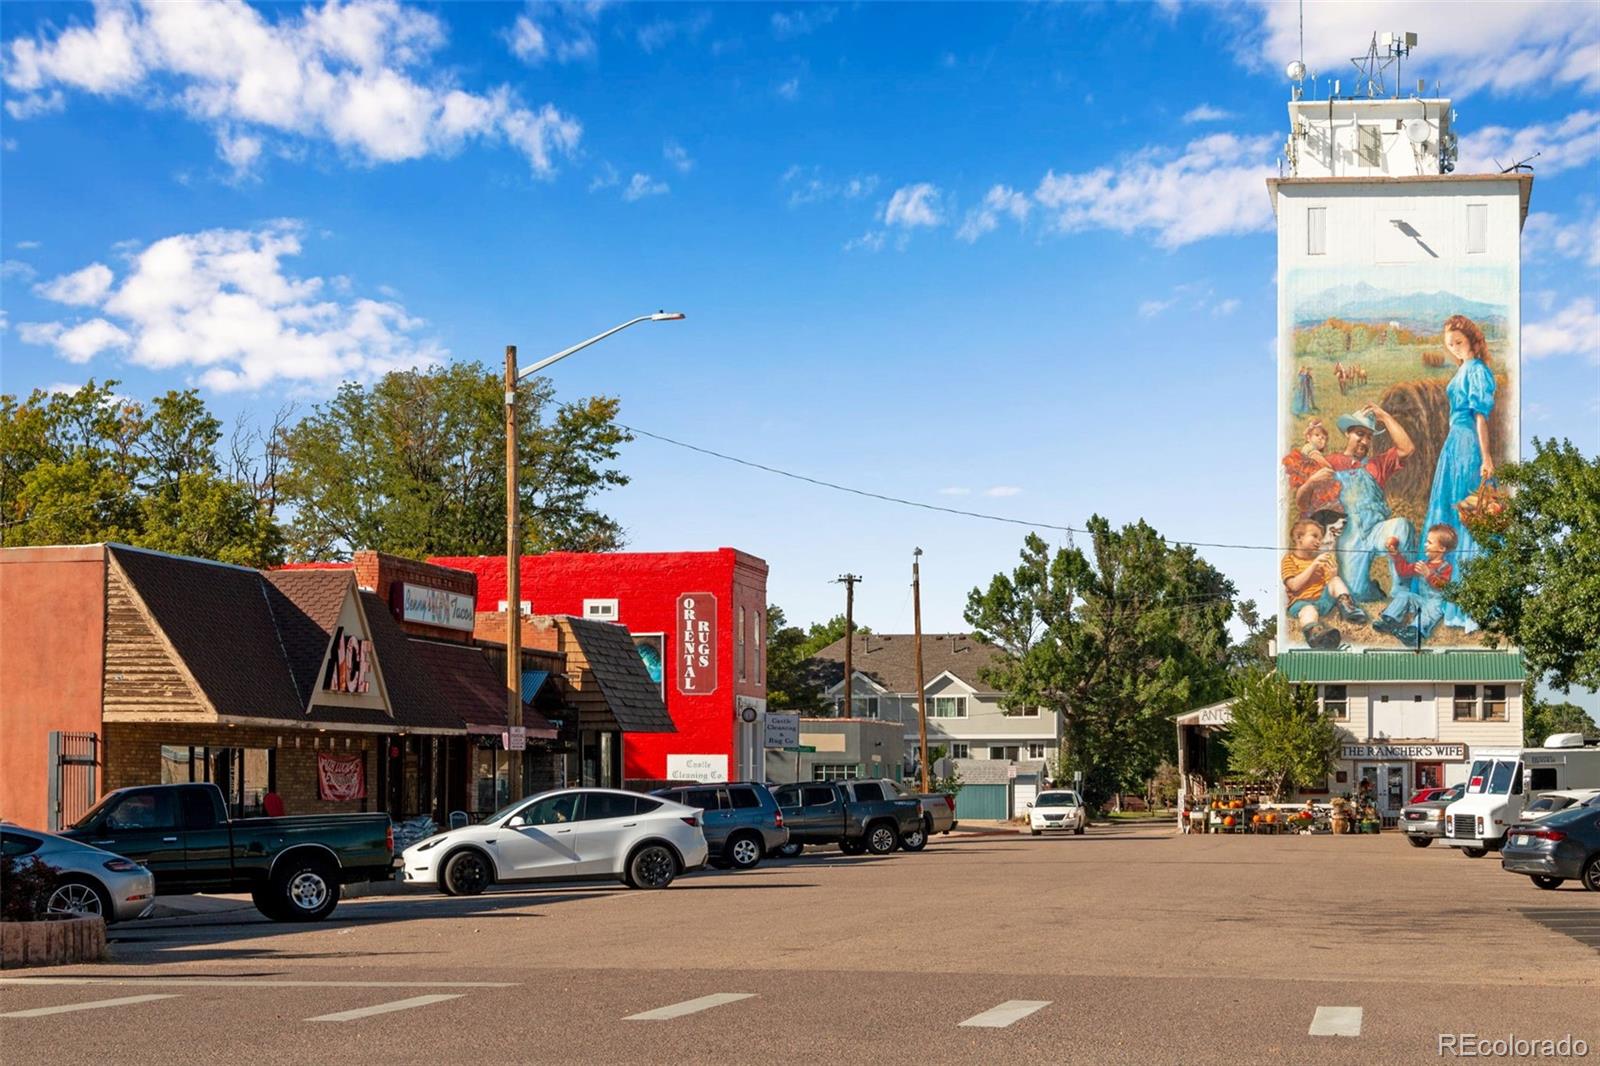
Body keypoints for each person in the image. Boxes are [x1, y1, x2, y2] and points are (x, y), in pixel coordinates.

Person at [1422, 314, 1496, 632]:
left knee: (1469, 513)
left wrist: (1487, 456)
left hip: (1467, 443)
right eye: (1449, 343)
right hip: (1455, 442)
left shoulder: (1477, 369)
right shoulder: (1463, 368)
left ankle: (1468, 603)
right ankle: (1448, 595)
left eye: (1459, 342)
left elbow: (1480, 417)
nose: (1453, 348)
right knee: (1452, 507)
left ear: (1472, 341)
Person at [1298, 405, 1416, 603]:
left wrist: (1384, 416)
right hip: (1349, 536)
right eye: (1360, 434)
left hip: (1377, 529)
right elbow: (1302, 503)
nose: (1365, 441)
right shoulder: (1329, 462)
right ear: (1347, 433)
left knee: (1401, 526)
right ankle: (1373, 590)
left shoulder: (1377, 464)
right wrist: (1310, 483)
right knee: (1357, 593)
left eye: (1369, 436)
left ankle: (1402, 593)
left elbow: (1407, 448)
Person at [1281, 518, 1369, 648]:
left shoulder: (1319, 559)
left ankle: (1348, 608)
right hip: (1301, 602)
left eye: (1320, 538)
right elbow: (1293, 585)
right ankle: (1315, 634)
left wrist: (1333, 573)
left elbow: (1329, 583)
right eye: (1314, 536)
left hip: (1322, 601)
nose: (1319, 541)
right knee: (1308, 611)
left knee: (1336, 580)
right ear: (1299, 538)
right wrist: (1314, 565)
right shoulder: (1289, 559)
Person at [1373, 526, 1457, 646]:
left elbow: (1443, 586)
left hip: (1436, 604)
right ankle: (1390, 620)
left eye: (1429, 542)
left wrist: (1428, 574)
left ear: (1441, 548)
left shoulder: (1446, 567)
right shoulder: (1423, 564)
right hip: (1423, 601)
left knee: (1432, 608)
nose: (1425, 545)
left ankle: (1413, 632)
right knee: (1404, 595)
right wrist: (1396, 555)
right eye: (1426, 541)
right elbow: (1404, 571)